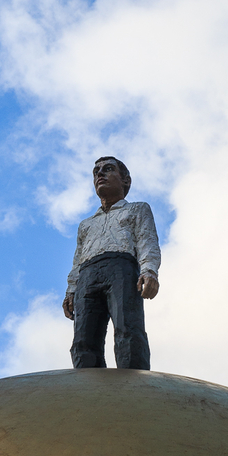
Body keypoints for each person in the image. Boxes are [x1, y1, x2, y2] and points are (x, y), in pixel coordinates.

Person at [62, 156, 161, 369]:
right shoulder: (86, 224)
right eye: (96, 171)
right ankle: (90, 388)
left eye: (108, 169)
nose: (100, 174)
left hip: (121, 269)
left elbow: (147, 240)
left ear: (125, 180)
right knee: (83, 340)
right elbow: (78, 258)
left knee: (128, 329)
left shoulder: (137, 209)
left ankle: (133, 386)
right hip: (87, 276)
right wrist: (71, 290)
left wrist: (149, 270)